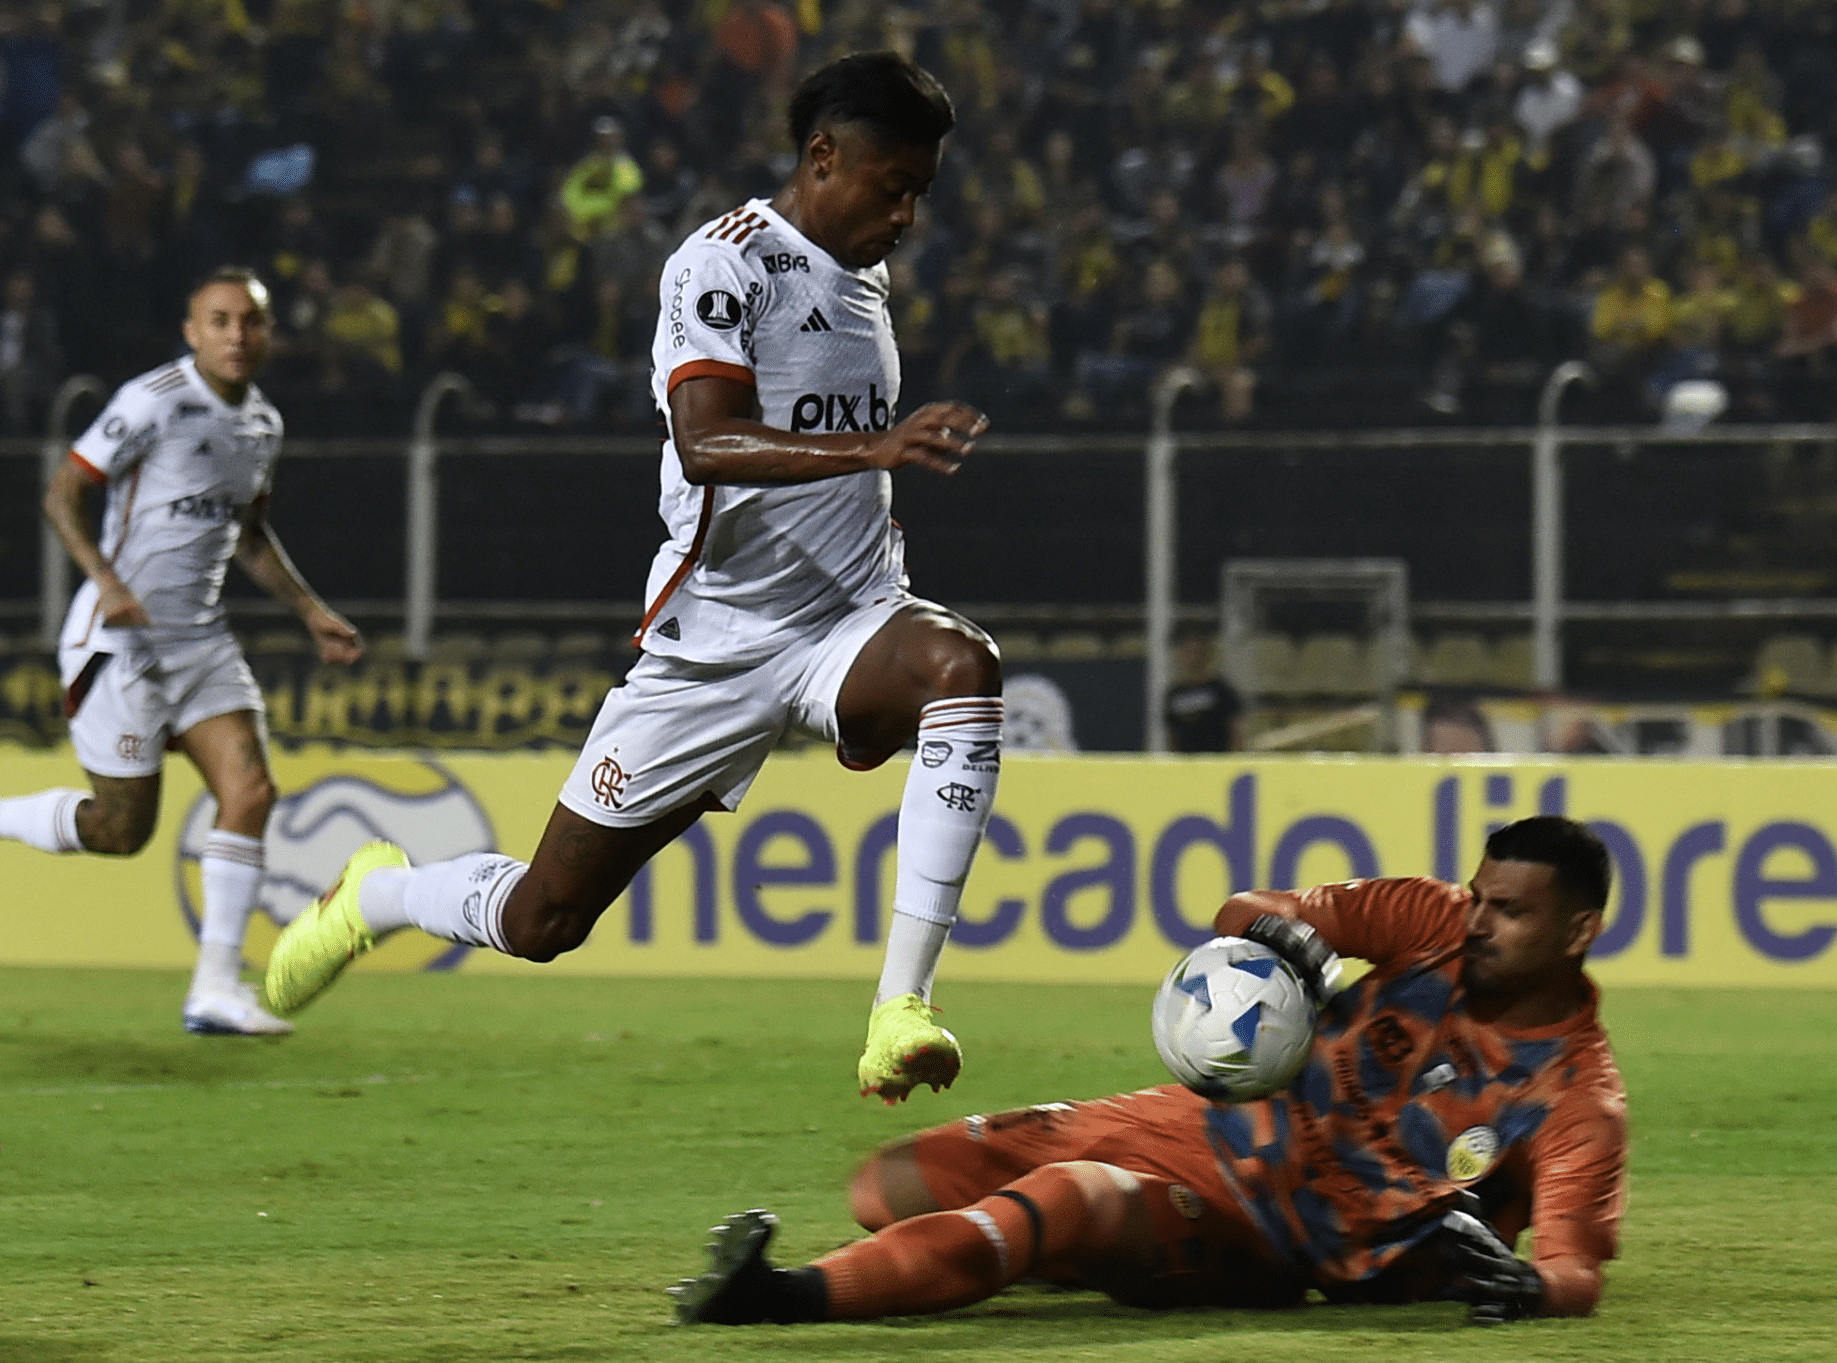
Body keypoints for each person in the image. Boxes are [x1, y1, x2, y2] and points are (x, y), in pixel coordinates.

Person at [263, 53, 1005, 1104]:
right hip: (713, 645)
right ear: (822, 157)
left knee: (962, 669)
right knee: (543, 920)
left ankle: (900, 1010)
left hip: (847, 615)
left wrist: (869, 467)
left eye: (921, 192)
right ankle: (382, 894)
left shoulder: (864, 274)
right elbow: (705, 444)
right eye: (893, 187)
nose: (908, 215)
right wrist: (875, 449)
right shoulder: (721, 264)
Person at [672, 815, 1626, 1327]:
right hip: (1211, 1128)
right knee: (888, 1187)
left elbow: (1573, 1264)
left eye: (1509, 910)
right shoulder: (1425, 920)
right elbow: (1243, 907)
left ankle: (786, 1298)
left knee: (1069, 1196)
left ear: (1579, 929)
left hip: (1273, 1233)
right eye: (1478, 896)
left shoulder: (1575, 1096)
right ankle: (1046, 1243)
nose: (1477, 922)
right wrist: (1285, 938)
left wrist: (1535, 1290)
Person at [0, 268, 364, 1034]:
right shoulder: (152, 401)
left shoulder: (262, 424)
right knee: (119, 830)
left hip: (199, 640)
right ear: (192, 331)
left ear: (269, 334)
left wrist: (310, 611)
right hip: (120, 640)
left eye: (252, 322)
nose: (238, 335)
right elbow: (62, 491)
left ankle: (214, 988)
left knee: (252, 792)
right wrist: (103, 581)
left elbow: (249, 536)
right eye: (221, 320)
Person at [1163, 634, 1242, 752]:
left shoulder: (1221, 690)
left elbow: (1234, 728)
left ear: (1207, 655)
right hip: (1186, 763)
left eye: (1197, 652)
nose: (1194, 658)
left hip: (1216, 760)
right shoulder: (1175, 694)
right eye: (1189, 652)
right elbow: (1173, 734)